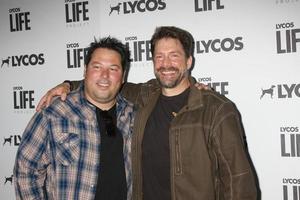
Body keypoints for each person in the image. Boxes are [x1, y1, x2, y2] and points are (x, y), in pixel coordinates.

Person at [37, 26, 258, 200]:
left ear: (189, 61)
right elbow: (105, 84)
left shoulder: (216, 109)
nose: (166, 64)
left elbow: (238, 179)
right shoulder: (144, 96)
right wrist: (67, 84)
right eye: (159, 57)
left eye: (174, 56)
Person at [13, 37, 135, 200]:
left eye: (113, 69)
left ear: (123, 76)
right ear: (85, 70)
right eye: (97, 67)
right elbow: (26, 169)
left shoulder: (133, 114)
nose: (104, 75)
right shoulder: (54, 112)